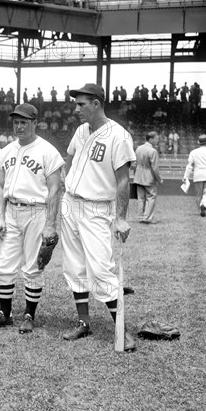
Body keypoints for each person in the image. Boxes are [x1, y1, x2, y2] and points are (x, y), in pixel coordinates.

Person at [61, 84, 137, 352]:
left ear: (96, 103)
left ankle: (122, 331)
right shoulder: (81, 130)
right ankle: (84, 322)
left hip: (97, 208)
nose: (76, 109)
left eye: (81, 104)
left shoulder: (119, 135)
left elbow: (123, 180)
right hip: (71, 203)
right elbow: (70, 159)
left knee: (101, 269)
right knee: (74, 266)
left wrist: (121, 217)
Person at [0, 103, 64, 333]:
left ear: (35, 123)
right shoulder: (6, 151)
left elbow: (55, 189)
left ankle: (29, 314)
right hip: (10, 211)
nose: (19, 126)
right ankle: (5, 314)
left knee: (32, 267)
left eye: (24, 122)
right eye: (16, 122)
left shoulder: (48, 151)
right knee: (3, 265)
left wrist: (50, 224)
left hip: (36, 211)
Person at [134, 132, 163, 224]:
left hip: (138, 176)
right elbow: (155, 168)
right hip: (149, 177)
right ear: (150, 139)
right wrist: (159, 179)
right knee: (151, 197)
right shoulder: (153, 151)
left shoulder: (138, 148)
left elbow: (134, 164)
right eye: (156, 139)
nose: (157, 140)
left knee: (140, 198)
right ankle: (147, 218)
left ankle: (140, 217)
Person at [183, 134, 206, 217]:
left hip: (198, 175)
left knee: (199, 193)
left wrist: (185, 176)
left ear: (199, 143)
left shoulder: (193, 152)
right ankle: (204, 205)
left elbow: (190, 165)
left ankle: (201, 206)